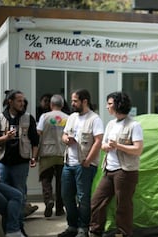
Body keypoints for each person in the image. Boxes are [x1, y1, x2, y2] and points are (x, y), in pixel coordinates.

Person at [89, 92, 143, 237]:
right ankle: (95, 231)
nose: (107, 107)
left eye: (110, 104)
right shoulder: (111, 124)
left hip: (125, 171)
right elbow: (104, 145)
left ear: (119, 105)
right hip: (108, 169)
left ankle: (123, 233)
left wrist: (118, 146)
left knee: (123, 205)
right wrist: (106, 146)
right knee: (96, 201)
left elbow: (138, 149)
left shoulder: (134, 125)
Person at [58, 89, 104, 237]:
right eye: (72, 100)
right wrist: (65, 139)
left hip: (84, 164)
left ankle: (83, 227)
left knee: (83, 198)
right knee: (66, 195)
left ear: (85, 101)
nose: (72, 103)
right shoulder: (71, 117)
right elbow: (64, 134)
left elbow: (98, 141)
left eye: (75, 101)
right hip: (68, 164)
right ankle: (72, 226)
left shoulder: (94, 119)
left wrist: (88, 161)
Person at [0, 89, 40, 237]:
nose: (23, 103)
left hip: (21, 162)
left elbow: (35, 141)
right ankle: (8, 227)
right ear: (10, 102)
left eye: (23, 100)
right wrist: (5, 138)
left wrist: (34, 157)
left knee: (20, 195)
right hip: (2, 161)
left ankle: (18, 228)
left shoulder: (28, 118)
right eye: (19, 101)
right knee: (5, 196)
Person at [36, 94, 69, 217]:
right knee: (61, 182)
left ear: (51, 104)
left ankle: (49, 200)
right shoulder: (68, 118)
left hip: (47, 152)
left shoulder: (44, 116)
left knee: (46, 179)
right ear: (62, 105)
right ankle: (60, 209)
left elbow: (38, 132)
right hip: (63, 153)